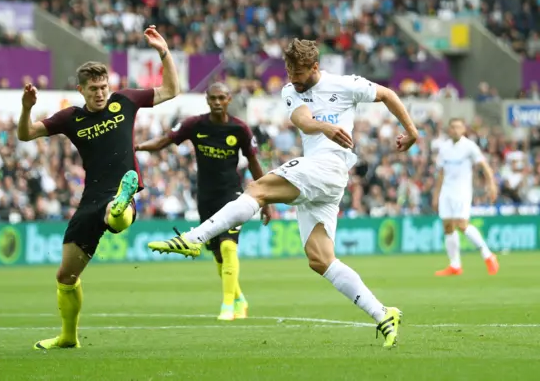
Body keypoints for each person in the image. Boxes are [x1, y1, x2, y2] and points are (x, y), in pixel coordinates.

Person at [148, 38, 420, 348]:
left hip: (329, 167)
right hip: (323, 178)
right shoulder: (291, 89)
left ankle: (192, 239)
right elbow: (301, 119)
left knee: (257, 189)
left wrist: (411, 131)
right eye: (289, 70)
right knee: (320, 259)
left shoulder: (346, 85)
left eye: (299, 72)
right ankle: (383, 313)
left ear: (315, 67)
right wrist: (325, 127)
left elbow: (387, 94)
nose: (292, 77)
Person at [17, 26, 180, 350]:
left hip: (120, 189)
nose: (101, 93)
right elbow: (26, 134)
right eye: (93, 89)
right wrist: (26, 107)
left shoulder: (126, 101)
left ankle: (121, 204)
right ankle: (68, 337)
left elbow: (171, 90)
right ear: (81, 89)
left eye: (104, 86)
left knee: (115, 213)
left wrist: (164, 52)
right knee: (66, 276)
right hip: (90, 197)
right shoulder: (71, 118)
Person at [135, 82, 271, 321]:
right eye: (213, 98)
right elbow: (164, 141)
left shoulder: (240, 129)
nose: (217, 102)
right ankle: (239, 297)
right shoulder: (195, 125)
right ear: (207, 100)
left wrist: (265, 200)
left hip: (232, 196)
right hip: (206, 197)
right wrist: (136, 146)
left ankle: (228, 305)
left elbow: (254, 163)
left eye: (222, 98)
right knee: (218, 255)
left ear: (229, 99)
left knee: (229, 247)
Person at [432, 118, 499, 276]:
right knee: (448, 226)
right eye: (452, 127)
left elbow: (484, 165)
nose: (455, 130)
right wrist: (436, 194)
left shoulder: (469, 146)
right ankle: (455, 265)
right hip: (446, 191)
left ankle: (488, 255)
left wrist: (491, 184)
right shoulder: (444, 148)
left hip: (462, 191)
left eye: (458, 127)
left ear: (463, 130)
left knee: (462, 225)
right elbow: (441, 173)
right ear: (449, 130)